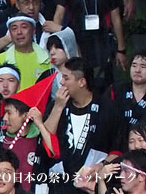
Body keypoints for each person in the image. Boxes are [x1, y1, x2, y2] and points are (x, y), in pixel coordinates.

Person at [53, 0, 127, 90]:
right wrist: (57, 43)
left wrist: (121, 49)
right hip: (76, 37)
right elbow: (58, 14)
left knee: (104, 81)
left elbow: (115, 17)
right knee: (79, 80)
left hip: (101, 38)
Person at [43, 58, 119, 191]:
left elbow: (118, 147)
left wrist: (102, 165)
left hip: (91, 183)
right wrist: (58, 107)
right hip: (59, 183)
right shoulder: (57, 104)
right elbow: (46, 140)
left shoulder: (108, 108)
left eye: (66, 78)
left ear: (82, 82)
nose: (61, 82)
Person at [0, 15, 52, 89]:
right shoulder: (0, 60)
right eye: (14, 28)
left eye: (24, 27)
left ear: (33, 31)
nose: (19, 32)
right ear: (10, 33)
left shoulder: (47, 59)